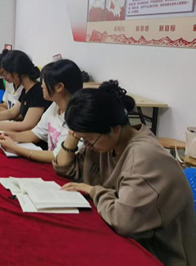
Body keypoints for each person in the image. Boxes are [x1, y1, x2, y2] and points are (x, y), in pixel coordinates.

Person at [54, 81, 196, 266]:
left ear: (114, 129)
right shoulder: (105, 142)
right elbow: (66, 168)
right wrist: (73, 136)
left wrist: (94, 190)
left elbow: (125, 221)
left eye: (87, 140)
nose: (86, 146)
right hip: (126, 237)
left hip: (157, 254)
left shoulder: (144, 157)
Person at [0, 59, 83, 163]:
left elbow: (58, 156)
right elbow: (36, 133)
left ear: (59, 87)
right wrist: (13, 136)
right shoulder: (55, 106)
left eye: (45, 82)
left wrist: (15, 148)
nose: (41, 85)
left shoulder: (76, 117)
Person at [0, 50, 51, 132]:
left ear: (16, 74)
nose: (5, 77)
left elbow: (26, 125)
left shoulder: (38, 92)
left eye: (6, 74)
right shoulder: (26, 89)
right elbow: (12, 113)